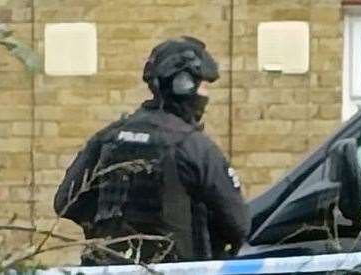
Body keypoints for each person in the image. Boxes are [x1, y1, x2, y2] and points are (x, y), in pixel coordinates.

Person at [53, 36, 250, 265]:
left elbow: (66, 202)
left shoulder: (108, 137)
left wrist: (108, 231)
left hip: (106, 267)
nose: (206, 95)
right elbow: (238, 226)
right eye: (204, 86)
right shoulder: (194, 147)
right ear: (185, 85)